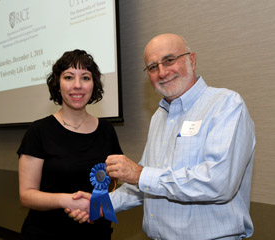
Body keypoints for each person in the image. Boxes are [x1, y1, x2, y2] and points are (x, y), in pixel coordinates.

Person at [67, 34, 256, 240]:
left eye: (169, 60)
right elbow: (147, 184)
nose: (162, 72)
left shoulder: (225, 105)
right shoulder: (160, 116)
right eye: (152, 67)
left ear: (191, 59)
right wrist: (102, 204)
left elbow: (219, 183)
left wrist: (140, 174)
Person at [17, 49, 122, 240]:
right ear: (57, 84)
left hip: (97, 231)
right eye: (68, 77)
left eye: (85, 78)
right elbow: (26, 195)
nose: (77, 85)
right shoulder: (38, 131)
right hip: (46, 233)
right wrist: (70, 201)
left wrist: (97, 204)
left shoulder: (107, 130)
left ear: (94, 85)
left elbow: (114, 181)